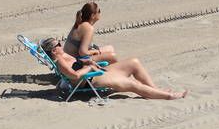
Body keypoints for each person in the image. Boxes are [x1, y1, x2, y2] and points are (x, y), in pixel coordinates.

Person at [41, 39, 187, 101]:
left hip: (94, 72)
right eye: (58, 44)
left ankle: (154, 90)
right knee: (132, 84)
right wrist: (89, 67)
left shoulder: (63, 56)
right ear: (54, 50)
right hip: (93, 79)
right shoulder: (60, 61)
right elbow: (74, 75)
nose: (61, 44)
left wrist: (87, 61)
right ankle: (170, 96)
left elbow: (77, 63)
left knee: (134, 62)